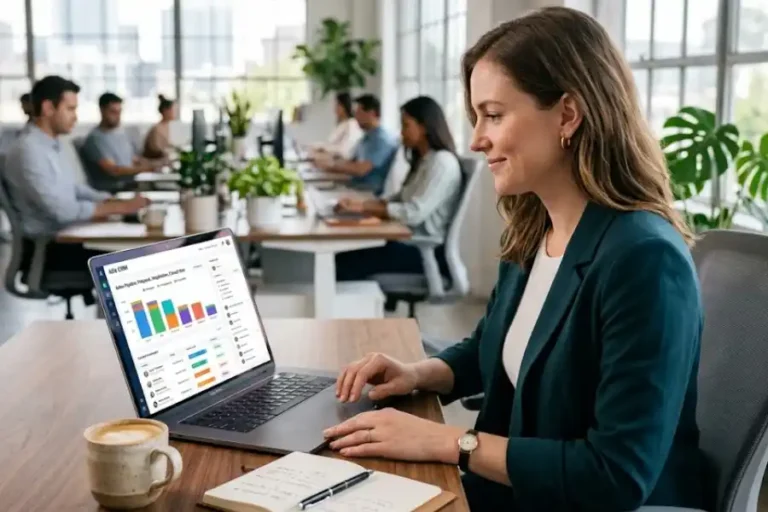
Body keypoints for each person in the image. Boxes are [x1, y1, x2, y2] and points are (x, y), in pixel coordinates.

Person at [323, 7, 707, 512]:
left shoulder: (644, 259)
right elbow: (494, 346)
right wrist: (419, 373)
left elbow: (615, 476)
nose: (477, 139)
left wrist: (447, 443)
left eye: (494, 114)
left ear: (568, 114)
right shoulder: (536, 229)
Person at [3, 76, 148, 274]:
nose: (75, 117)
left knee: (139, 251)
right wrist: (118, 207)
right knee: (138, 261)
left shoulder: (53, 145)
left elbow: (74, 189)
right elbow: (62, 211)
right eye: (70, 109)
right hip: (48, 251)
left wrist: (109, 199)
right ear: (48, 108)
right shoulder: (29, 150)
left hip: (66, 238)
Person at [334, 96, 462, 282]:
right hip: (407, 244)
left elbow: (413, 213)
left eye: (406, 125)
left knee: (343, 262)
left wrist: (364, 208)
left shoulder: (441, 163)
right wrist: (360, 204)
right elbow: (400, 198)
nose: (401, 133)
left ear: (424, 127)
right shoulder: (425, 160)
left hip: (421, 252)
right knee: (344, 253)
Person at [314, 94, 397, 196]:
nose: (355, 117)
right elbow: (349, 162)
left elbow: (360, 169)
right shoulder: (366, 137)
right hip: (354, 186)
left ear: (371, 113)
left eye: (358, 112)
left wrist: (331, 165)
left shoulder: (381, 140)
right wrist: (326, 165)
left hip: (368, 193)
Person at [81, 92, 163, 192]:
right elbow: (114, 170)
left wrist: (157, 164)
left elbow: (134, 159)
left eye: (119, 112)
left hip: (131, 184)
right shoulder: (95, 140)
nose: (118, 116)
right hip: (116, 189)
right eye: (113, 112)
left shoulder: (120, 135)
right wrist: (147, 168)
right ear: (102, 110)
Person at [309, 92, 363, 160]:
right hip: (331, 159)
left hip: (341, 162)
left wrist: (324, 148)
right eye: (335, 104)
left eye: (338, 105)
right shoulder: (341, 124)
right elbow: (331, 144)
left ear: (345, 106)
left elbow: (345, 150)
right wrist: (319, 146)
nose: (335, 108)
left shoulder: (351, 124)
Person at [143, 94, 177, 159]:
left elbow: (166, 145)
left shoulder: (166, 125)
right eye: (173, 110)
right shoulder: (157, 128)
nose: (175, 112)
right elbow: (156, 151)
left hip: (160, 158)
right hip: (152, 160)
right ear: (165, 111)